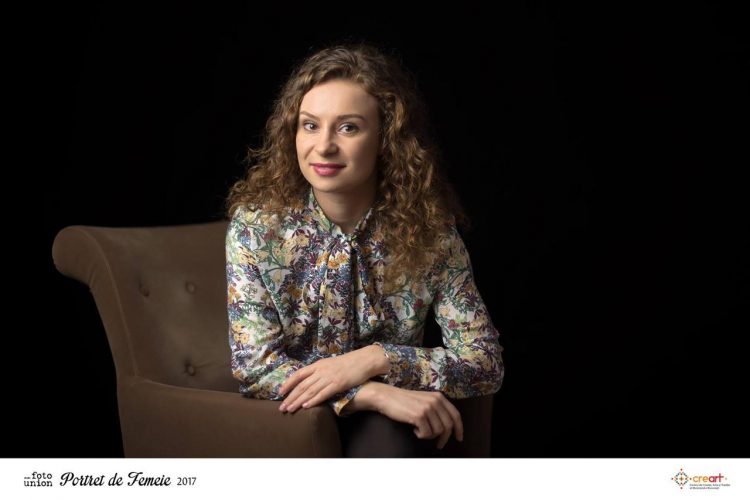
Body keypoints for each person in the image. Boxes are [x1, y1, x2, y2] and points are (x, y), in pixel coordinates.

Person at [224, 42, 505, 457]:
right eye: (310, 125)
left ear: (386, 139)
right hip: (286, 418)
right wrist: (370, 392)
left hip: (390, 430)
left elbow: (484, 363)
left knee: (390, 444)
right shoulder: (256, 229)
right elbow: (255, 368)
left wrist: (377, 359)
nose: (323, 146)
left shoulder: (431, 235)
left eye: (348, 128)